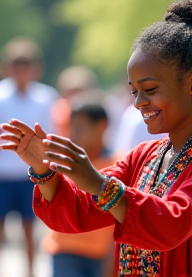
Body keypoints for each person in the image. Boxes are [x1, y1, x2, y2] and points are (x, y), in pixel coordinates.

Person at [0, 0, 192, 277]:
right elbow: (79, 211)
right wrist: (43, 169)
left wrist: (98, 182)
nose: (138, 102)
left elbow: (171, 224)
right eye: (134, 91)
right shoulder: (144, 156)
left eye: (150, 89)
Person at [42, 81, 115, 277]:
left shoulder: (119, 163)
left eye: (80, 128)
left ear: (101, 126)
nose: (74, 135)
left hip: (101, 255)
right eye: (71, 128)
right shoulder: (63, 163)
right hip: (65, 249)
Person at [0, 37, 59, 277]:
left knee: (29, 229)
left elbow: (51, 134)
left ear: (34, 68)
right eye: (16, 65)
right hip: (3, 173)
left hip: (30, 174)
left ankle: (31, 273)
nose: (21, 71)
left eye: (25, 65)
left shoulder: (46, 97)